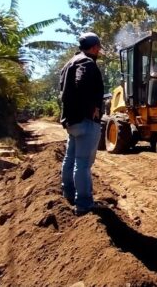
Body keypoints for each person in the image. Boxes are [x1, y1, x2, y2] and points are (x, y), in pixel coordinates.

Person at [58, 32, 106, 215]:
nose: (99, 50)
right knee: (83, 164)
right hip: (85, 121)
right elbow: (81, 82)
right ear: (94, 47)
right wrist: (92, 107)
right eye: (99, 47)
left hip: (71, 121)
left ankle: (68, 193)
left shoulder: (68, 63)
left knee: (70, 158)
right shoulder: (86, 62)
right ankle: (84, 204)